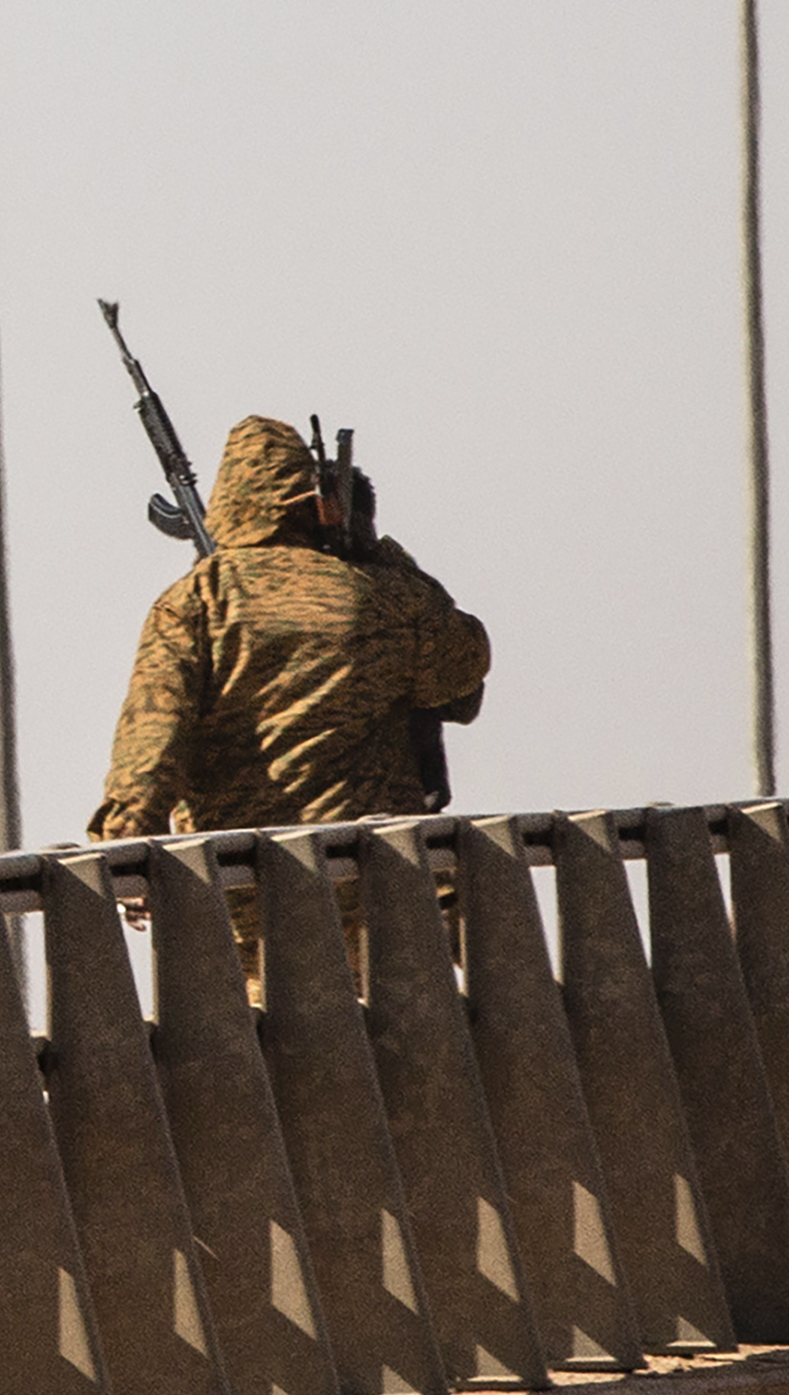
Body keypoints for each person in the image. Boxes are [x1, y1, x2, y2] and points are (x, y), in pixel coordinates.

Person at [87, 414, 489, 980]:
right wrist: (381, 559)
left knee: (265, 1054)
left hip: (245, 899)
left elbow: (152, 738)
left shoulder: (195, 602)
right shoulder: (377, 595)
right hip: (383, 893)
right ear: (312, 503)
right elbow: (463, 673)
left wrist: (126, 842)